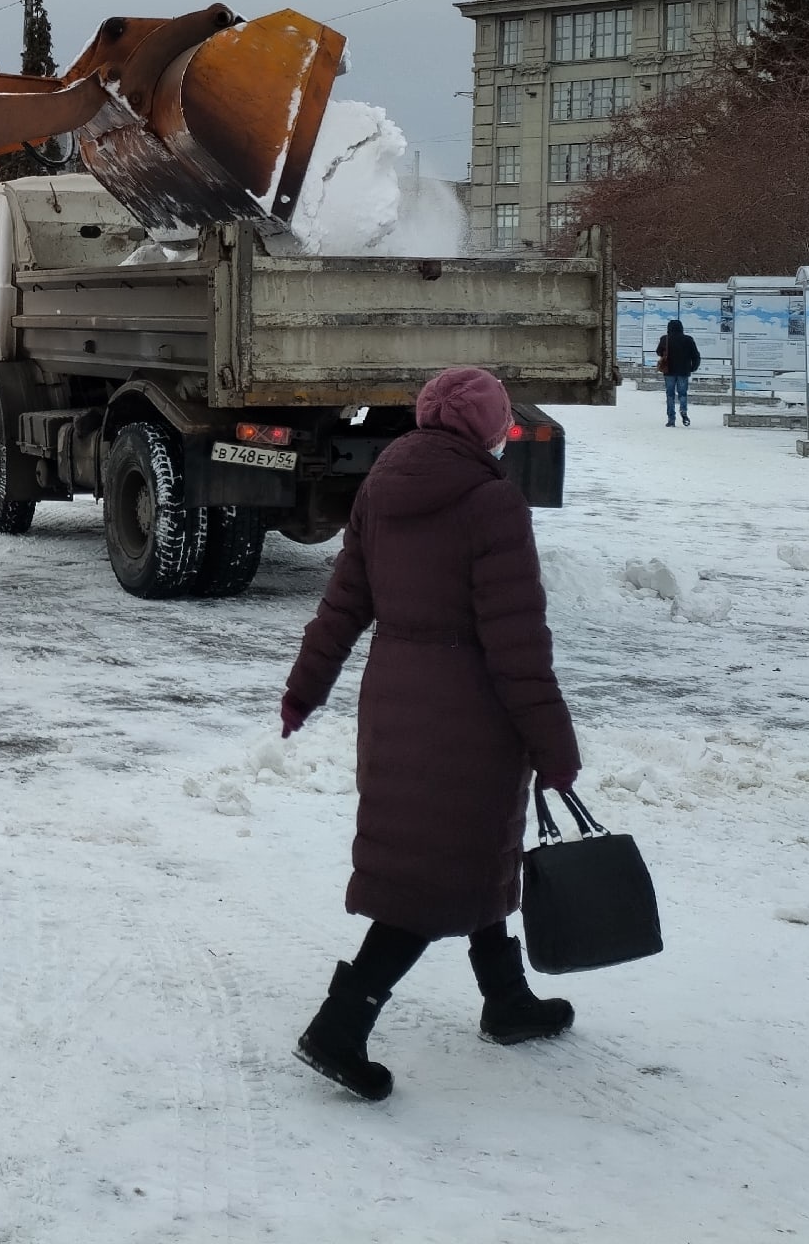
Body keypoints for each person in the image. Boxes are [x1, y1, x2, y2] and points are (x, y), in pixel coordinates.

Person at [277, 365, 582, 1102]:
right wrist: (554, 746)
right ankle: (339, 1026)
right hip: (470, 715)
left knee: (459, 855)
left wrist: (304, 690)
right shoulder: (492, 503)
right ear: (488, 430)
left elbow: (341, 608)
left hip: (395, 703)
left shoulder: (380, 490)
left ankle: (505, 998)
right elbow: (518, 646)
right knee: (434, 877)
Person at [656, 317, 701, 427]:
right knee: (682, 393)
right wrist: (693, 367)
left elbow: (658, 352)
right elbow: (695, 355)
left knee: (670, 394)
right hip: (684, 371)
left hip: (669, 371)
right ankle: (683, 410)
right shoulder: (688, 339)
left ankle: (671, 418)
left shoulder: (664, 339)